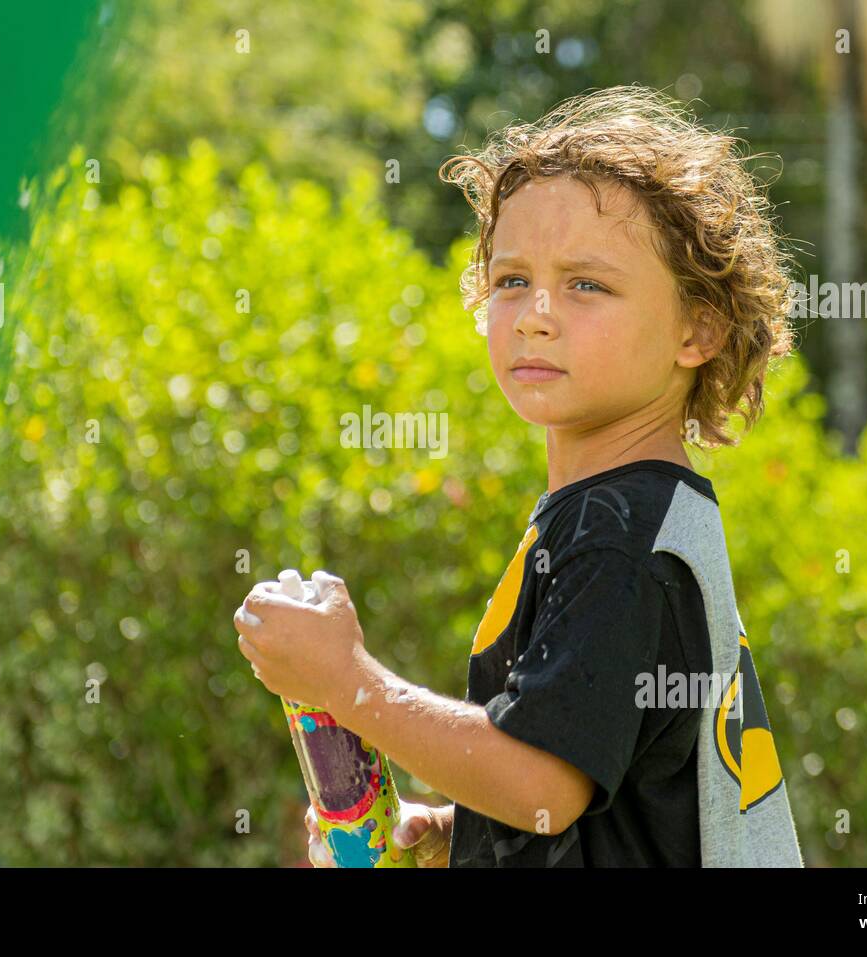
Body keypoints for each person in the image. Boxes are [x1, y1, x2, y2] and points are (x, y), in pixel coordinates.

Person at [235, 84, 803, 867]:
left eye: (587, 284)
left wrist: (347, 681)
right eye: (510, 280)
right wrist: (457, 835)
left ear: (697, 328)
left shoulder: (621, 537)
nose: (536, 312)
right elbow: (596, 791)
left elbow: (544, 780)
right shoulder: (635, 514)